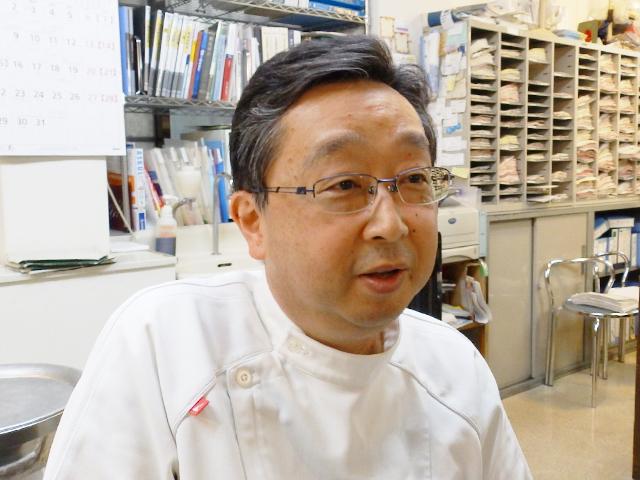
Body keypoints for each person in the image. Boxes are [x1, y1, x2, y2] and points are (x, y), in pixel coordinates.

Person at [44, 35, 531, 479]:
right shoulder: (164, 344)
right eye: (344, 184)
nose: (392, 224)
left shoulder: (455, 366)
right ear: (252, 221)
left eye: (414, 179)